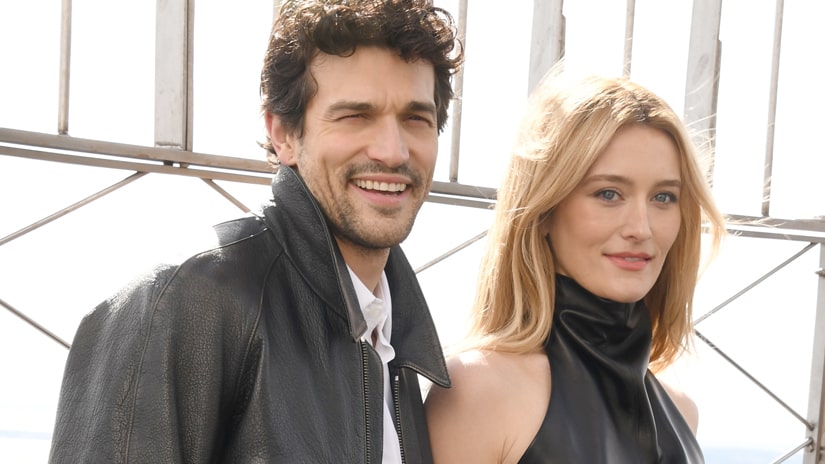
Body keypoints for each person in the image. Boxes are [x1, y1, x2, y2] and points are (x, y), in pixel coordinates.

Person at [49, 1, 462, 462]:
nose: (393, 151)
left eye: (415, 118)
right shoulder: (181, 301)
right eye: (355, 116)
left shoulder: (394, 337)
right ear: (283, 133)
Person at [424, 69, 726, 463]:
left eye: (664, 197)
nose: (641, 228)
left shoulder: (682, 410)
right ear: (545, 210)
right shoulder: (480, 389)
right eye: (608, 194)